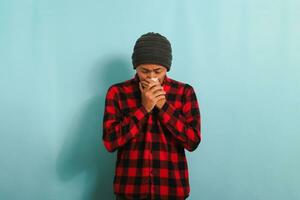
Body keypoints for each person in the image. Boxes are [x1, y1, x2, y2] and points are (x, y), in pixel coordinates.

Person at [102, 32, 202, 200]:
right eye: (144, 71)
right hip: (130, 190)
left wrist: (163, 106)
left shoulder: (184, 92)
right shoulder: (117, 92)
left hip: (171, 190)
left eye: (158, 71)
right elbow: (110, 142)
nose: (151, 77)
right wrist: (144, 108)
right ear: (135, 67)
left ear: (167, 68)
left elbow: (192, 141)